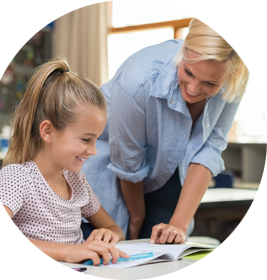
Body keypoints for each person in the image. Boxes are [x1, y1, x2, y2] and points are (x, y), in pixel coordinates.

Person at [81, 12, 252, 244]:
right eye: (188, 72)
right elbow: (129, 163)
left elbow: (209, 150)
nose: (192, 88)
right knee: (112, 245)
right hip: (111, 158)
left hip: (166, 165)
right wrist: (136, 220)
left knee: (165, 246)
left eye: (210, 83)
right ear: (184, 52)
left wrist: (179, 226)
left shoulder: (232, 81)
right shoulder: (139, 79)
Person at [0, 58, 129, 265]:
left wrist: (108, 235)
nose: (94, 150)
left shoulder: (77, 181)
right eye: (85, 139)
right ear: (48, 131)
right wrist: (66, 252)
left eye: (96, 139)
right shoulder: (18, 177)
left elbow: (115, 229)